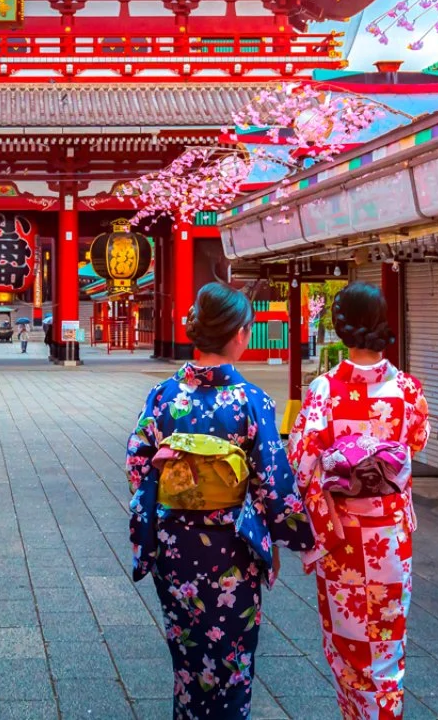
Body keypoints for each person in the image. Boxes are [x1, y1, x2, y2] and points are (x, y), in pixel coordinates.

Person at [125, 283, 314, 718]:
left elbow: (138, 465)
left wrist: (166, 474)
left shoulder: (164, 397)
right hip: (231, 548)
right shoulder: (250, 400)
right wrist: (298, 539)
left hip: (175, 546)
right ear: (239, 334)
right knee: (231, 662)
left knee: (188, 658)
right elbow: (273, 480)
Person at [287, 282, 430, 720]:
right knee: (387, 646)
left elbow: (300, 459)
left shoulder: (324, 391)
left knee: (348, 646)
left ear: (340, 325)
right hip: (389, 537)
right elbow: (417, 443)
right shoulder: (407, 389)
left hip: (343, 537)